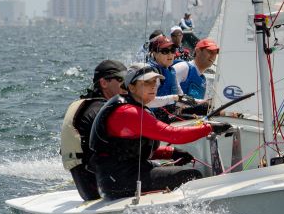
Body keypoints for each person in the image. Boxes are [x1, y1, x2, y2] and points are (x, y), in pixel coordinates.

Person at [89, 63, 213, 199]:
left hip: (122, 174)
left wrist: (171, 153)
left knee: (179, 171)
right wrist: (210, 128)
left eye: (155, 81)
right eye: (146, 82)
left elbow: (129, 149)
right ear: (131, 87)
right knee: (192, 175)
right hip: (119, 181)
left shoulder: (134, 107)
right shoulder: (129, 112)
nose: (153, 86)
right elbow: (173, 135)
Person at [59, 60, 127, 200]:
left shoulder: (86, 105)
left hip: (88, 190)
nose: (127, 84)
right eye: (121, 79)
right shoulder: (102, 111)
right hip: (105, 191)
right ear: (104, 83)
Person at [174, 38, 219, 105]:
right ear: (197, 51)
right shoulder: (183, 67)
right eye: (210, 52)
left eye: (215, 53)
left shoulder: (204, 80)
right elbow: (171, 94)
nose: (213, 56)